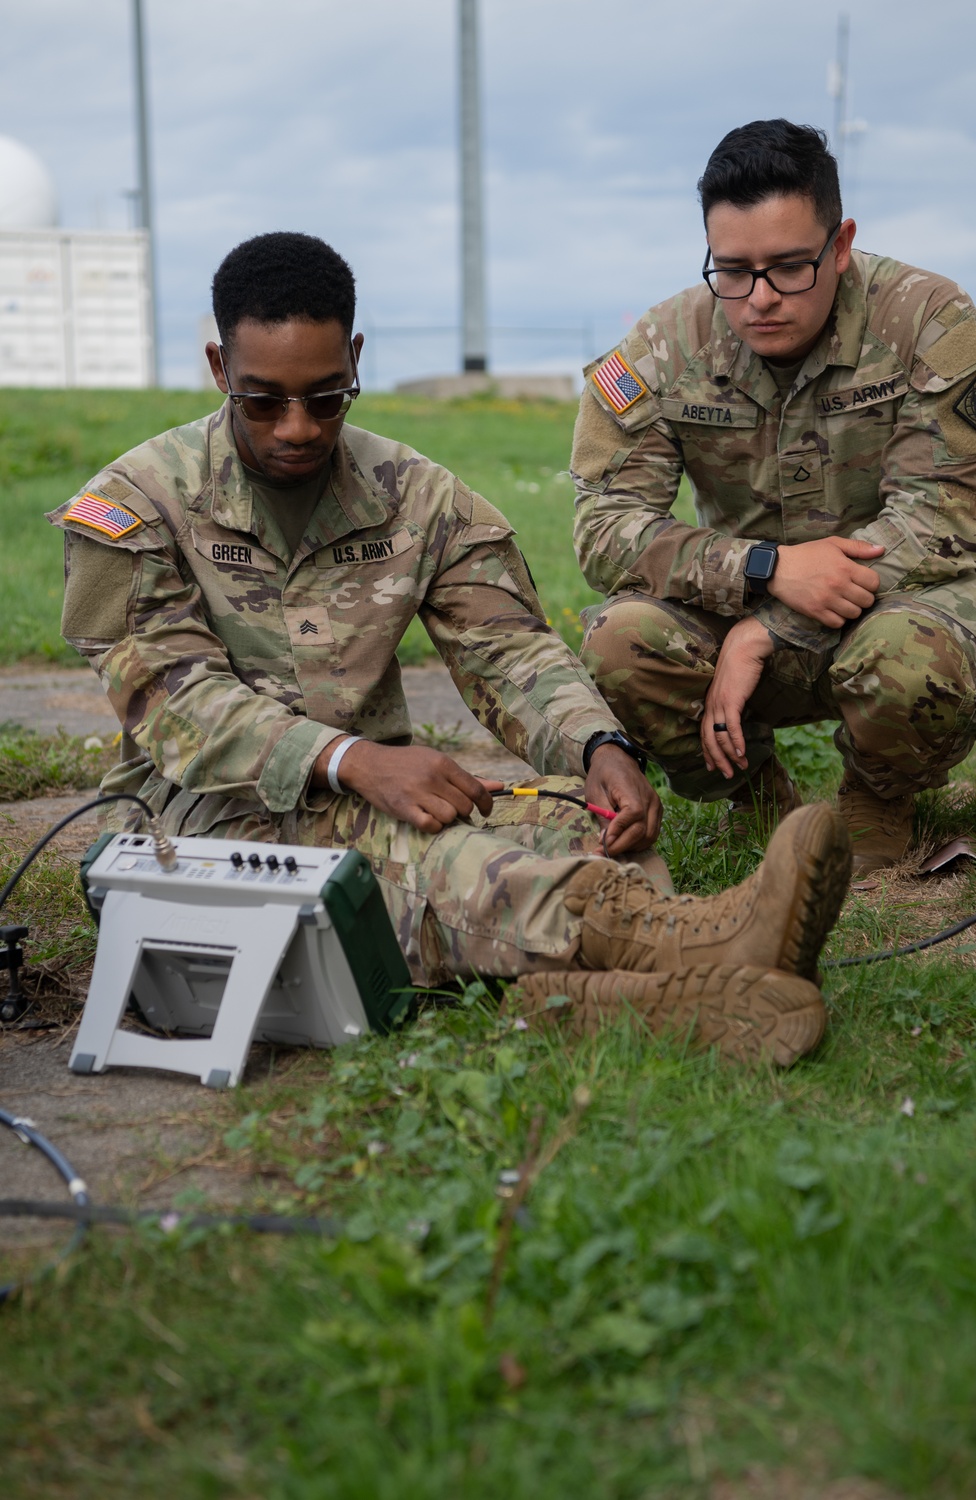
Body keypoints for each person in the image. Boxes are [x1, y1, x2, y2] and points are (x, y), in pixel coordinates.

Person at [49, 231, 850, 1064]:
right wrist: (352, 758)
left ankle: (610, 1001)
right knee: (415, 849)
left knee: (586, 825)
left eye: (327, 397)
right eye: (263, 401)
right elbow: (176, 702)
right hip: (198, 825)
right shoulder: (135, 505)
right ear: (220, 369)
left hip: (368, 796)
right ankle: (698, 941)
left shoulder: (414, 496)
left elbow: (509, 649)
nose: (297, 427)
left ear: (356, 358)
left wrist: (598, 746)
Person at [573, 119, 976, 875]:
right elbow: (604, 530)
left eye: (789, 267)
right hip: (745, 594)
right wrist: (765, 569)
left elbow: (940, 518)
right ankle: (757, 795)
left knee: (910, 659)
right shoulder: (667, 345)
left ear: (841, 245)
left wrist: (767, 627)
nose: (759, 298)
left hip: (907, 599)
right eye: (732, 271)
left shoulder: (929, 323)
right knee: (619, 642)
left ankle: (878, 799)